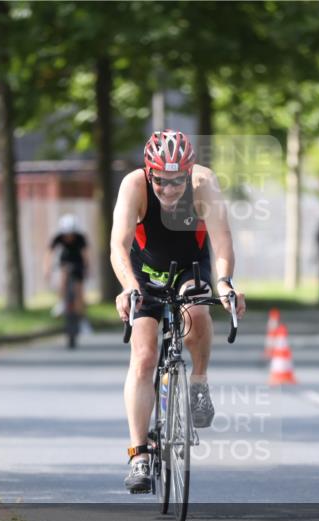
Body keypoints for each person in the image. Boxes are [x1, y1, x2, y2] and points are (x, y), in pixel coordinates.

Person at [111, 129, 246, 493]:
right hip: (144, 271)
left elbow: (222, 239)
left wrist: (225, 283)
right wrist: (128, 287)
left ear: (188, 174)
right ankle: (139, 453)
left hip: (191, 265)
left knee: (198, 314)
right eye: (160, 182)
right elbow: (118, 245)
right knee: (143, 356)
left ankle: (199, 382)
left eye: (176, 182)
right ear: (148, 172)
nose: (168, 190)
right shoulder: (134, 186)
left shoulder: (204, 183)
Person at [44, 214, 89, 318]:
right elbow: (49, 252)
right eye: (66, 234)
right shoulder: (58, 237)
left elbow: (85, 254)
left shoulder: (80, 238)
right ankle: (61, 302)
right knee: (63, 279)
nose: (69, 237)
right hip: (64, 261)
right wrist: (47, 268)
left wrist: (86, 267)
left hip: (78, 263)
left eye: (71, 234)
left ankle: (81, 318)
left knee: (79, 290)